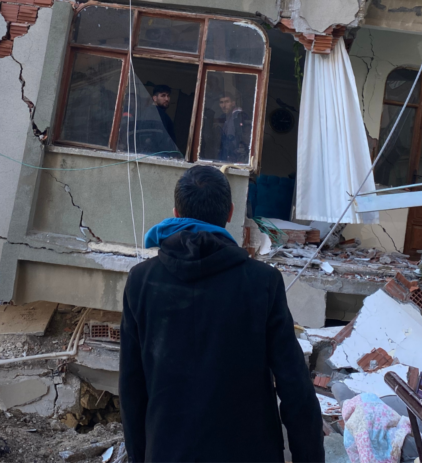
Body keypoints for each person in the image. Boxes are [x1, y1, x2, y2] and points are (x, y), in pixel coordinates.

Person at [119, 166, 324, 463]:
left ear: (176, 212)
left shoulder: (141, 281)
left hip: (168, 451)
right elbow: (295, 388)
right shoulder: (262, 282)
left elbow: (132, 388)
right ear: (229, 213)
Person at [217, 93, 250, 163]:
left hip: (238, 158)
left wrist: (241, 160)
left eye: (227, 102)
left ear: (233, 103)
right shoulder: (228, 117)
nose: (224, 105)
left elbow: (243, 139)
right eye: (221, 102)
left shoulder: (238, 116)